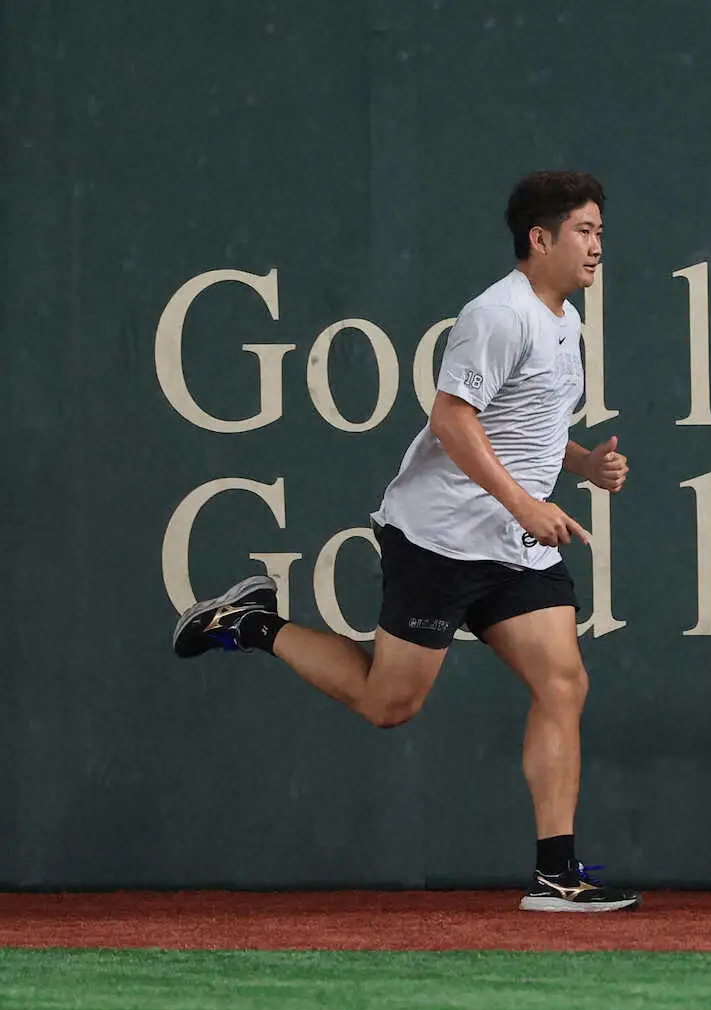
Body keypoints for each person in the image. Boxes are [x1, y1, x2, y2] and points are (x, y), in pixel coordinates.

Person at [173, 170, 641, 914]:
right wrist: (525, 501)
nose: (596, 248)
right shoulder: (497, 314)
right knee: (388, 703)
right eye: (584, 232)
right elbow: (454, 421)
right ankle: (247, 622)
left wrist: (581, 464)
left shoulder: (563, 322)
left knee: (564, 682)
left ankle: (556, 872)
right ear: (540, 238)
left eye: (600, 234)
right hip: (440, 538)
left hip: (511, 543)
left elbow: (522, 425)